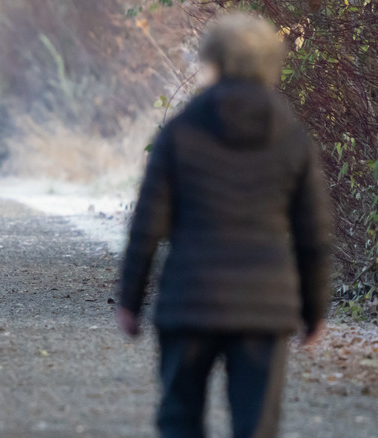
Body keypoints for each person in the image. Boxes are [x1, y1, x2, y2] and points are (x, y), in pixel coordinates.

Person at [115, 13, 332, 438]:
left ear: (211, 61)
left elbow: (147, 224)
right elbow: (314, 233)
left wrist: (130, 299)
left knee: (180, 419)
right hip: (264, 307)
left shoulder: (180, 131)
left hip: (189, 299)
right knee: (257, 426)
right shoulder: (291, 136)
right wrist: (315, 309)